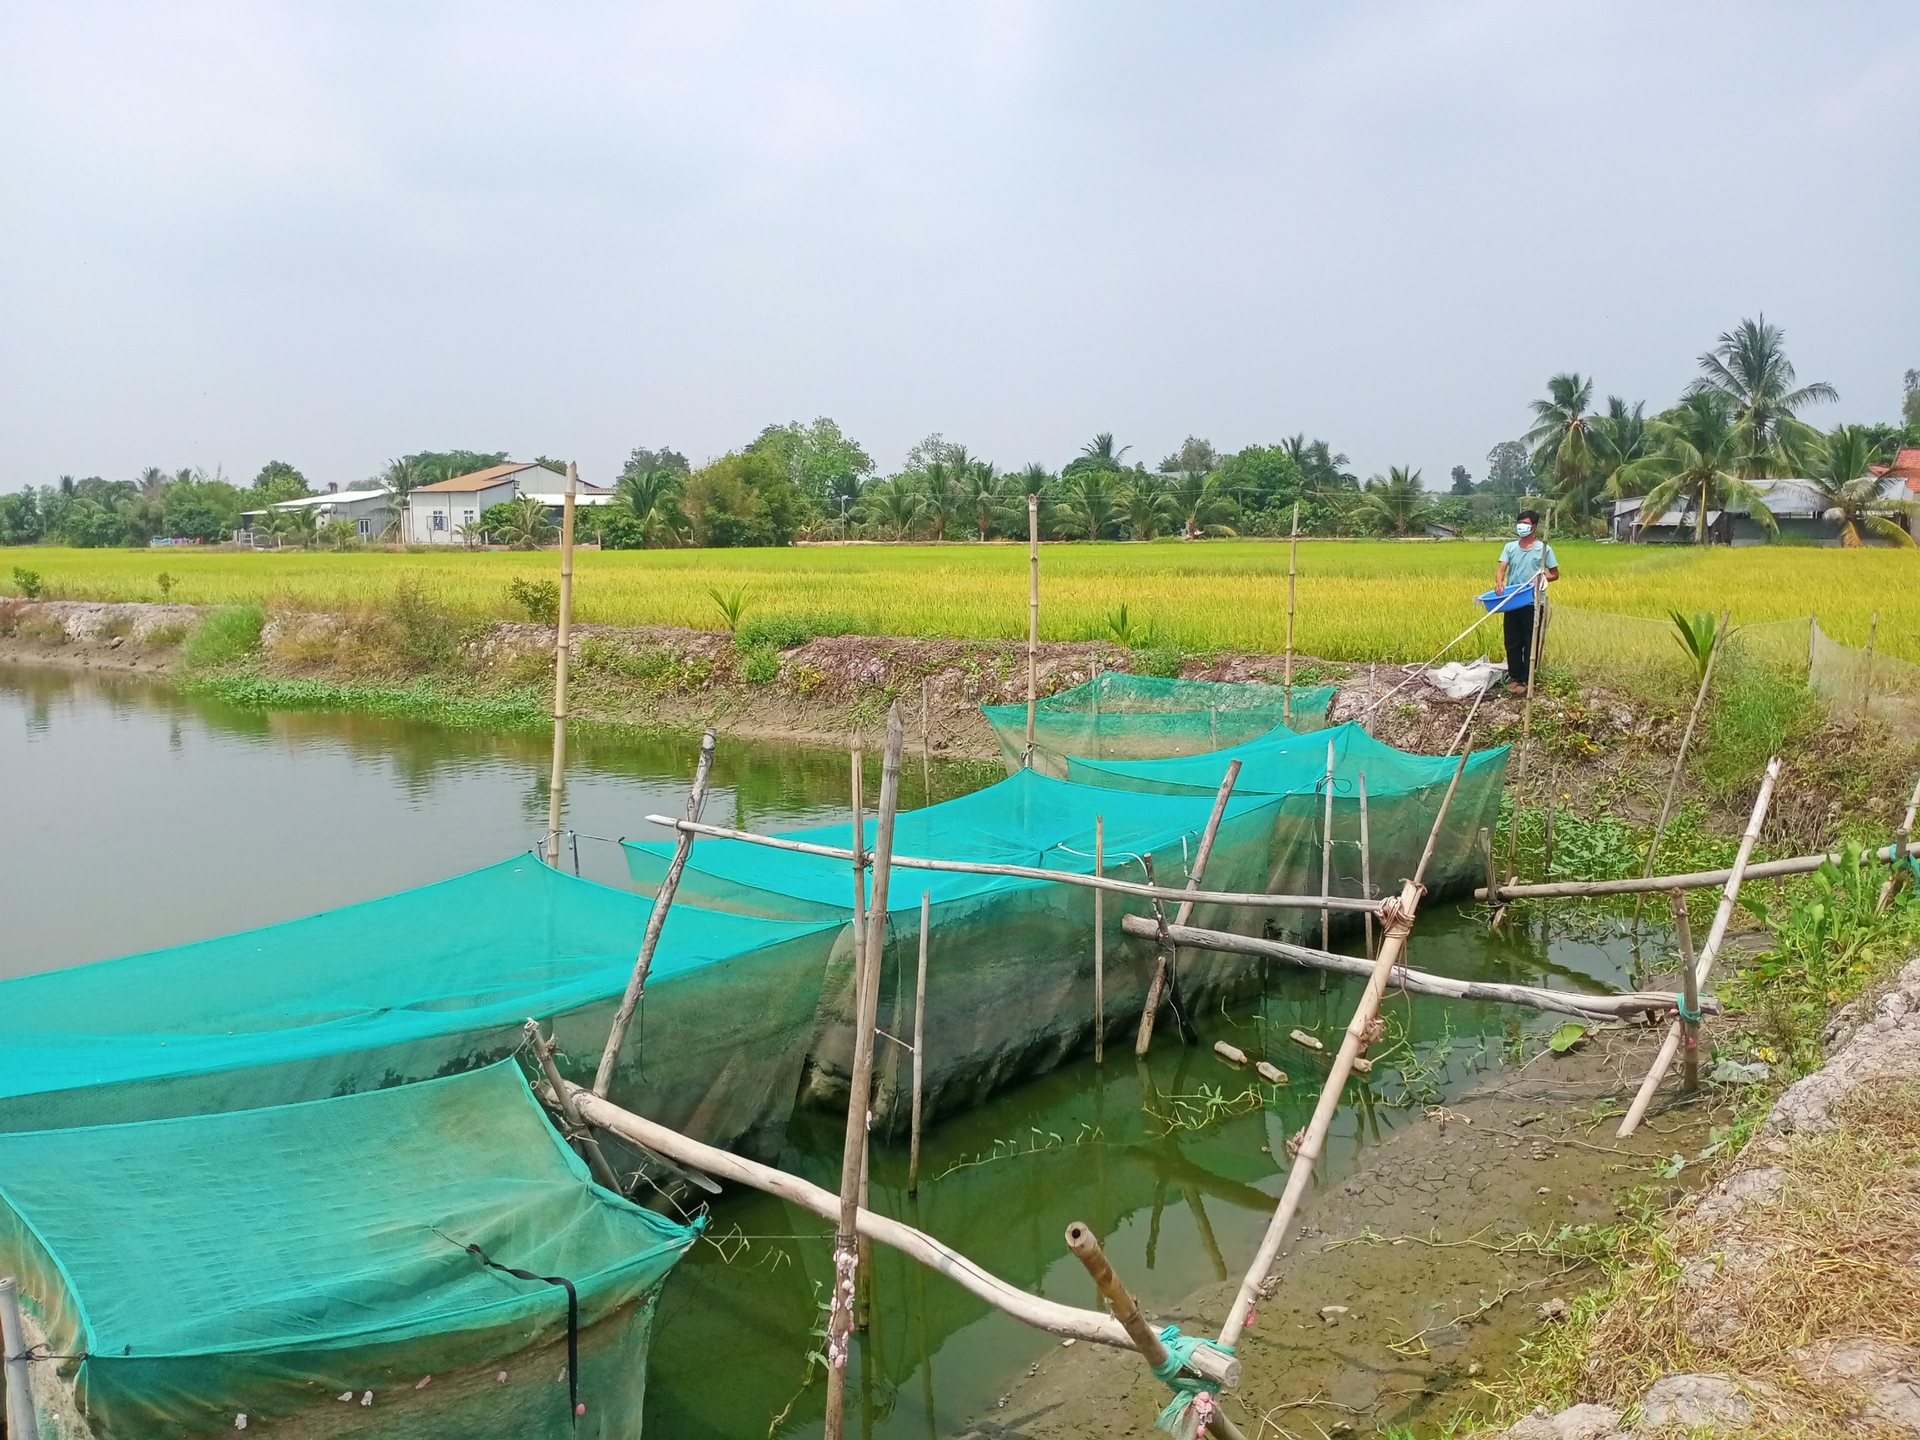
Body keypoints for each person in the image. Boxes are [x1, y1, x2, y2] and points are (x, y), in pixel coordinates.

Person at [1494, 509, 1558, 693]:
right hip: (1513, 600)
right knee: (1512, 640)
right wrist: (1499, 582)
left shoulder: (1544, 549)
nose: (1521, 526)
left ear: (1535, 526)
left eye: (1526, 523)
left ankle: (1526, 679)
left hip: (1533, 602)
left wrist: (1540, 579)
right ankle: (1514, 676)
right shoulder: (1510, 547)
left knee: (1530, 641)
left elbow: (1554, 574)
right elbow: (1501, 569)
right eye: (1519, 523)